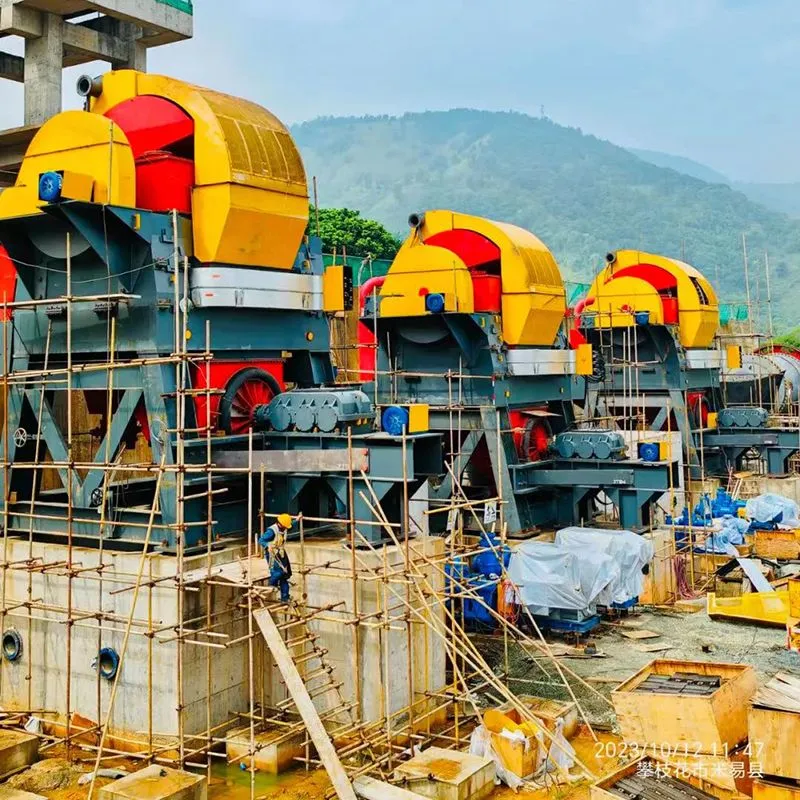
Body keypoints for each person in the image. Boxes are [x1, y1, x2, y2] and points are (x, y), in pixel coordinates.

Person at [258, 513, 293, 603]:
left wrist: (298, 519)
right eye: (285, 526)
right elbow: (261, 540)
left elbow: (292, 524)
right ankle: (272, 583)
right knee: (278, 572)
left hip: (281, 553)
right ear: (280, 524)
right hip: (272, 554)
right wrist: (266, 545)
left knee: (285, 575)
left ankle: (285, 597)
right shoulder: (272, 531)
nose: (286, 528)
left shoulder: (284, 527)